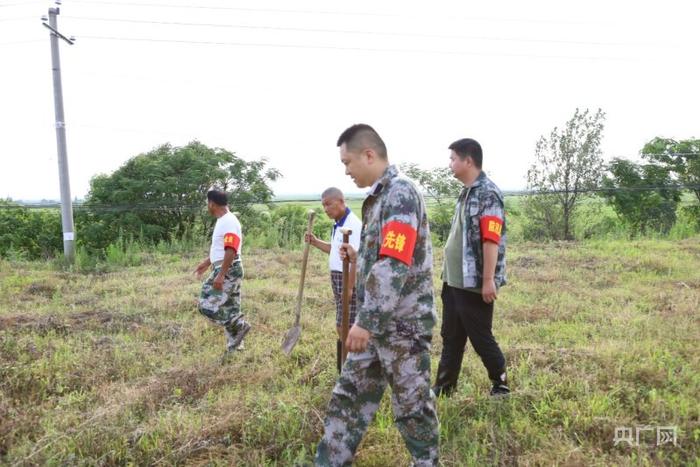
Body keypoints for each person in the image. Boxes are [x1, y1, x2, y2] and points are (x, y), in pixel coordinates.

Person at [315, 124, 439, 466]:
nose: (346, 170)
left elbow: (395, 263)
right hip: (374, 323)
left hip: (403, 326)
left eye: (348, 161)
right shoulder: (379, 197)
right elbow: (384, 256)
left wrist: (365, 321)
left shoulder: (400, 193)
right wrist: (359, 258)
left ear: (369, 155)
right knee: (348, 396)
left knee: (412, 407)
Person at [433, 138, 510, 398]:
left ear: (468, 160)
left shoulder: (488, 193)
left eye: (453, 158)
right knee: (451, 336)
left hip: (474, 281)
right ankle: (444, 388)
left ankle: (501, 383)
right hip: (454, 280)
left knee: (480, 336)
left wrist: (488, 280)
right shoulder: (466, 192)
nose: (450, 164)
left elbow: (492, 239)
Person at [305, 187, 362, 372]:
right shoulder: (339, 223)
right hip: (338, 277)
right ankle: (345, 365)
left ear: (341, 201)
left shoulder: (352, 225)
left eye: (328, 204)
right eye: (323, 205)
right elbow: (336, 250)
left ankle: (352, 366)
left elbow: (357, 259)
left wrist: (350, 287)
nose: (325, 209)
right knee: (342, 324)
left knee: (345, 325)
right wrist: (315, 242)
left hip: (347, 278)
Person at [194, 189, 250, 357]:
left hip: (228, 269)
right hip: (228, 267)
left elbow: (231, 250)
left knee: (205, 304)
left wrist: (221, 274)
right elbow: (221, 249)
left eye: (207, 204)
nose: (207, 207)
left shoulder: (228, 222)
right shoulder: (223, 220)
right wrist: (206, 263)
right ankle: (235, 347)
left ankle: (240, 326)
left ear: (212, 203)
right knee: (231, 309)